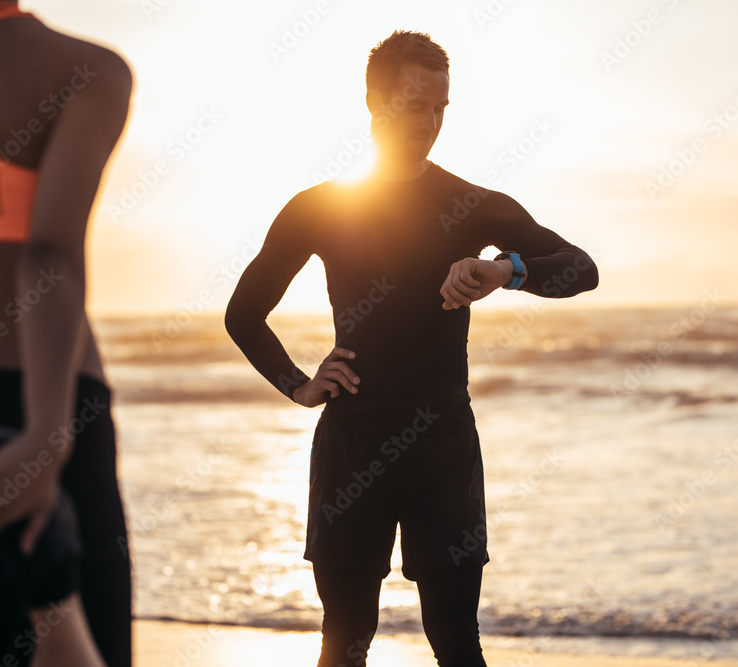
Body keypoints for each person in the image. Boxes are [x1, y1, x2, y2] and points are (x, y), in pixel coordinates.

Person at [226, 30, 598, 667]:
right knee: (343, 644)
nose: (429, 123)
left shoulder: (470, 203)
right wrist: (299, 384)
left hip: (443, 444)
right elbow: (244, 314)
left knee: (457, 644)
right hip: (352, 444)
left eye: (441, 109)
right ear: (374, 104)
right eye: (414, 105)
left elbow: (580, 268)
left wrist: (505, 270)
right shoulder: (320, 208)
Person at [0, 1, 133, 665]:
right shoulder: (85, 70)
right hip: (52, 390)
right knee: (83, 635)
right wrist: (47, 435)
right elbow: (48, 254)